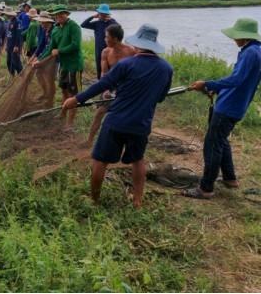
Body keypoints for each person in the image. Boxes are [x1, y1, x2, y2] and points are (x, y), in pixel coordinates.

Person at [63, 24, 173, 208]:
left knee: (100, 160)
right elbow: (161, 97)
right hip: (141, 124)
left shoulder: (126, 64)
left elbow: (102, 84)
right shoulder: (166, 69)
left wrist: (76, 99)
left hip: (116, 121)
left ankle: (94, 200)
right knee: (138, 160)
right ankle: (137, 199)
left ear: (137, 44)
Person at [183, 18, 261, 200]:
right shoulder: (255, 51)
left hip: (228, 107)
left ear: (244, 36)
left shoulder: (250, 53)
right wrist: (217, 88)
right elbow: (241, 81)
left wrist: (208, 83)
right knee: (221, 140)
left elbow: (236, 80)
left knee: (212, 145)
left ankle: (206, 188)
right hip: (236, 104)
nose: (234, 40)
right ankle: (230, 178)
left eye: (236, 36)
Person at [86, 24, 137, 144]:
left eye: (106, 37)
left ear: (114, 39)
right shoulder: (106, 52)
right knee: (99, 112)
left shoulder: (132, 51)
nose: (104, 39)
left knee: (125, 115)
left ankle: (124, 142)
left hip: (126, 87)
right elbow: (104, 72)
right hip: (111, 85)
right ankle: (89, 139)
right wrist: (106, 88)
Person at [36, 4, 83, 130]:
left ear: (66, 14)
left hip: (74, 65)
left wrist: (60, 51)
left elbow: (75, 45)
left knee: (73, 95)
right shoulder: (56, 29)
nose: (58, 16)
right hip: (64, 66)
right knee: (64, 91)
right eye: (56, 14)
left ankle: (69, 124)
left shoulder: (74, 27)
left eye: (61, 13)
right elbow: (50, 49)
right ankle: (63, 114)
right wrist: (39, 61)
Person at [80, 3, 118, 79]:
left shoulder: (111, 23)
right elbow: (83, 25)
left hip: (110, 51)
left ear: (106, 14)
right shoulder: (96, 23)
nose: (100, 15)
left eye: (102, 13)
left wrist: (111, 19)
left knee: (110, 68)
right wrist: (92, 17)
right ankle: (99, 83)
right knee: (99, 68)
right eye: (99, 13)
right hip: (99, 51)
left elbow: (118, 28)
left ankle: (111, 86)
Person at [29, 11, 58, 108]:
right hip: (44, 56)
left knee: (50, 79)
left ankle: (51, 101)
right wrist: (34, 57)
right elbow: (41, 44)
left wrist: (39, 59)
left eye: (42, 22)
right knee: (39, 73)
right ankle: (45, 93)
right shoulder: (43, 29)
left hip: (52, 58)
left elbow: (50, 48)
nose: (40, 23)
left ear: (47, 21)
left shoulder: (54, 30)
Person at [3, 8, 23, 77]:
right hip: (9, 45)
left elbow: (19, 34)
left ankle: (21, 76)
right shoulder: (10, 21)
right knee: (9, 61)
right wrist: (6, 44)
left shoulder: (17, 22)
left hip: (14, 45)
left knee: (16, 62)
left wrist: (17, 45)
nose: (6, 15)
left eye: (7, 14)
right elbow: (8, 34)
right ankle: (12, 75)